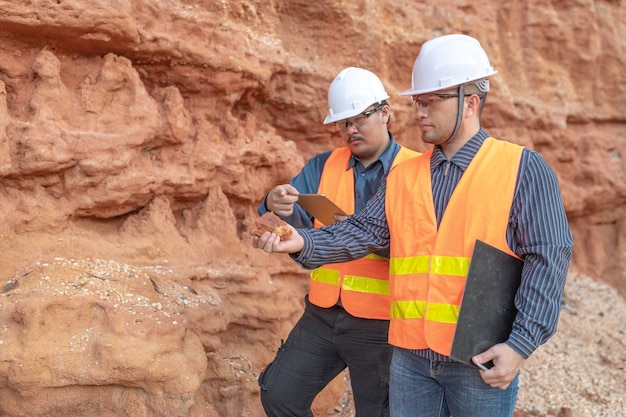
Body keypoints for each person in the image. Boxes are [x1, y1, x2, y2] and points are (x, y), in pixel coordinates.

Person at [252, 34, 573, 417]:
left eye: (430, 101)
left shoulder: (522, 168)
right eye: (417, 101)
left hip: (477, 358)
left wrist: (520, 344)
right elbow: (363, 231)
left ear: (470, 102)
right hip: (409, 359)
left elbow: (548, 256)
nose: (418, 111)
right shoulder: (404, 175)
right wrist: (302, 242)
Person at [256, 67, 421, 417]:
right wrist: (275, 202)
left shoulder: (416, 171)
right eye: (344, 122)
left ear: (385, 113)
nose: (351, 130)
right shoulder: (323, 165)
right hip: (323, 314)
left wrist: (365, 234)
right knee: (279, 395)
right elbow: (297, 225)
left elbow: (422, 245)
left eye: (360, 118)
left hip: (382, 322)